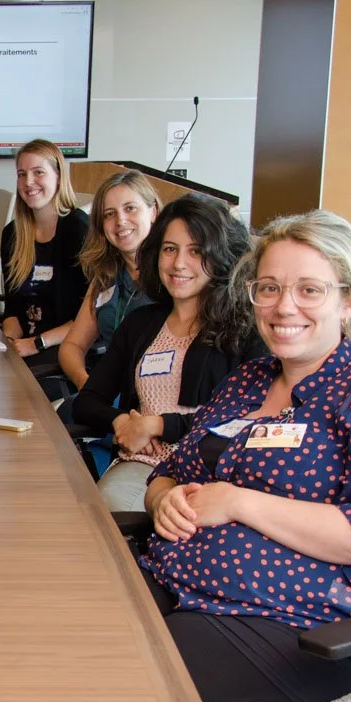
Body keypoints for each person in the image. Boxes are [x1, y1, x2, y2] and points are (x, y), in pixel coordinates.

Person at [137, 209, 351, 702]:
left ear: (347, 300)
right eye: (270, 288)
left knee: (120, 691)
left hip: (293, 623)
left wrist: (240, 502)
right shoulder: (247, 380)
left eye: (309, 290)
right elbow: (166, 474)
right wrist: (163, 500)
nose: (284, 307)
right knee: (58, 642)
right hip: (173, 581)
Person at [73, 194, 262, 512]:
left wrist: (160, 425)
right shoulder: (141, 323)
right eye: (170, 249)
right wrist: (122, 422)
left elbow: (246, 417)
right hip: (143, 467)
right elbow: (87, 402)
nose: (178, 264)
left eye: (196, 251)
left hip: (214, 473)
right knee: (94, 517)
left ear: (221, 257)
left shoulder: (245, 329)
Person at [0, 139, 90, 390]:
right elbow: (12, 310)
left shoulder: (77, 230)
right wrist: (7, 341)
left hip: (63, 349)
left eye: (39, 172)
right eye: (22, 174)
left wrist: (37, 343)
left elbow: (89, 317)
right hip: (26, 348)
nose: (28, 182)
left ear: (59, 177)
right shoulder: (13, 234)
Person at [58, 170, 160, 390]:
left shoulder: (172, 274)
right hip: (111, 391)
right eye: (109, 214)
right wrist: (84, 381)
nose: (120, 221)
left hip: (156, 396)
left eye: (130, 208)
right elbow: (72, 345)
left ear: (153, 212)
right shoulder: (107, 275)